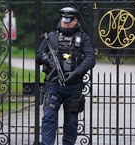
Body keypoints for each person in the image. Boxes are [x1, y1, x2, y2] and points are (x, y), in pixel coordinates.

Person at [36, 7, 95, 145]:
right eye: (64, 21)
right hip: (53, 85)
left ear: (76, 21)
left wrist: (76, 72)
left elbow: (90, 59)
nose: (65, 24)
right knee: (49, 119)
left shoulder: (83, 38)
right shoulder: (51, 37)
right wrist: (46, 57)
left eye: (69, 22)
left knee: (71, 123)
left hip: (74, 86)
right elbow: (38, 56)